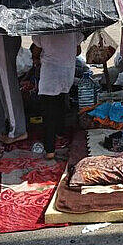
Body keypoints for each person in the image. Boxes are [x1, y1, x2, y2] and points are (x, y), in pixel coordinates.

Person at [32, 31, 86, 159]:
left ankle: (50, 150)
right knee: (61, 104)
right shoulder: (72, 28)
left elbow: (35, 51)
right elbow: (77, 51)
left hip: (50, 75)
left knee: (48, 112)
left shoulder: (44, 29)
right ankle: (60, 133)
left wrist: (37, 58)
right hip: (67, 73)